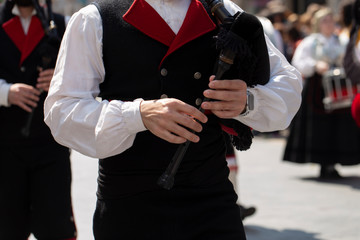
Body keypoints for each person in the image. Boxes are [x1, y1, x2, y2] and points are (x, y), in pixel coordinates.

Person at [44, 0, 302, 239]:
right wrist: (138, 114)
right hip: (129, 205)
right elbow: (61, 111)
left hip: (211, 200)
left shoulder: (225, 13)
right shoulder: (95, 19)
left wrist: (248, 100)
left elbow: (287, 86)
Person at [0, 0, 77, 239]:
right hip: (4, 147)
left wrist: (62, 77)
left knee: (56, 226)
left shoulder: (62, 25)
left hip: (50, 147)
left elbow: (86, 79)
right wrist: (5, 93)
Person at [284, 7, 360, 179]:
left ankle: (335, 161)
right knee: (320, 126)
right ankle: (323, 162)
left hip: (340, 88)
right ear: (318, 23)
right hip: (317, 88)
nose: (329, 24)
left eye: (331, 20)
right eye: (325, 20)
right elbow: (298, 62)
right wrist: (315, 65)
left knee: (339, 125)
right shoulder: (311, 42)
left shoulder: (341, 40)